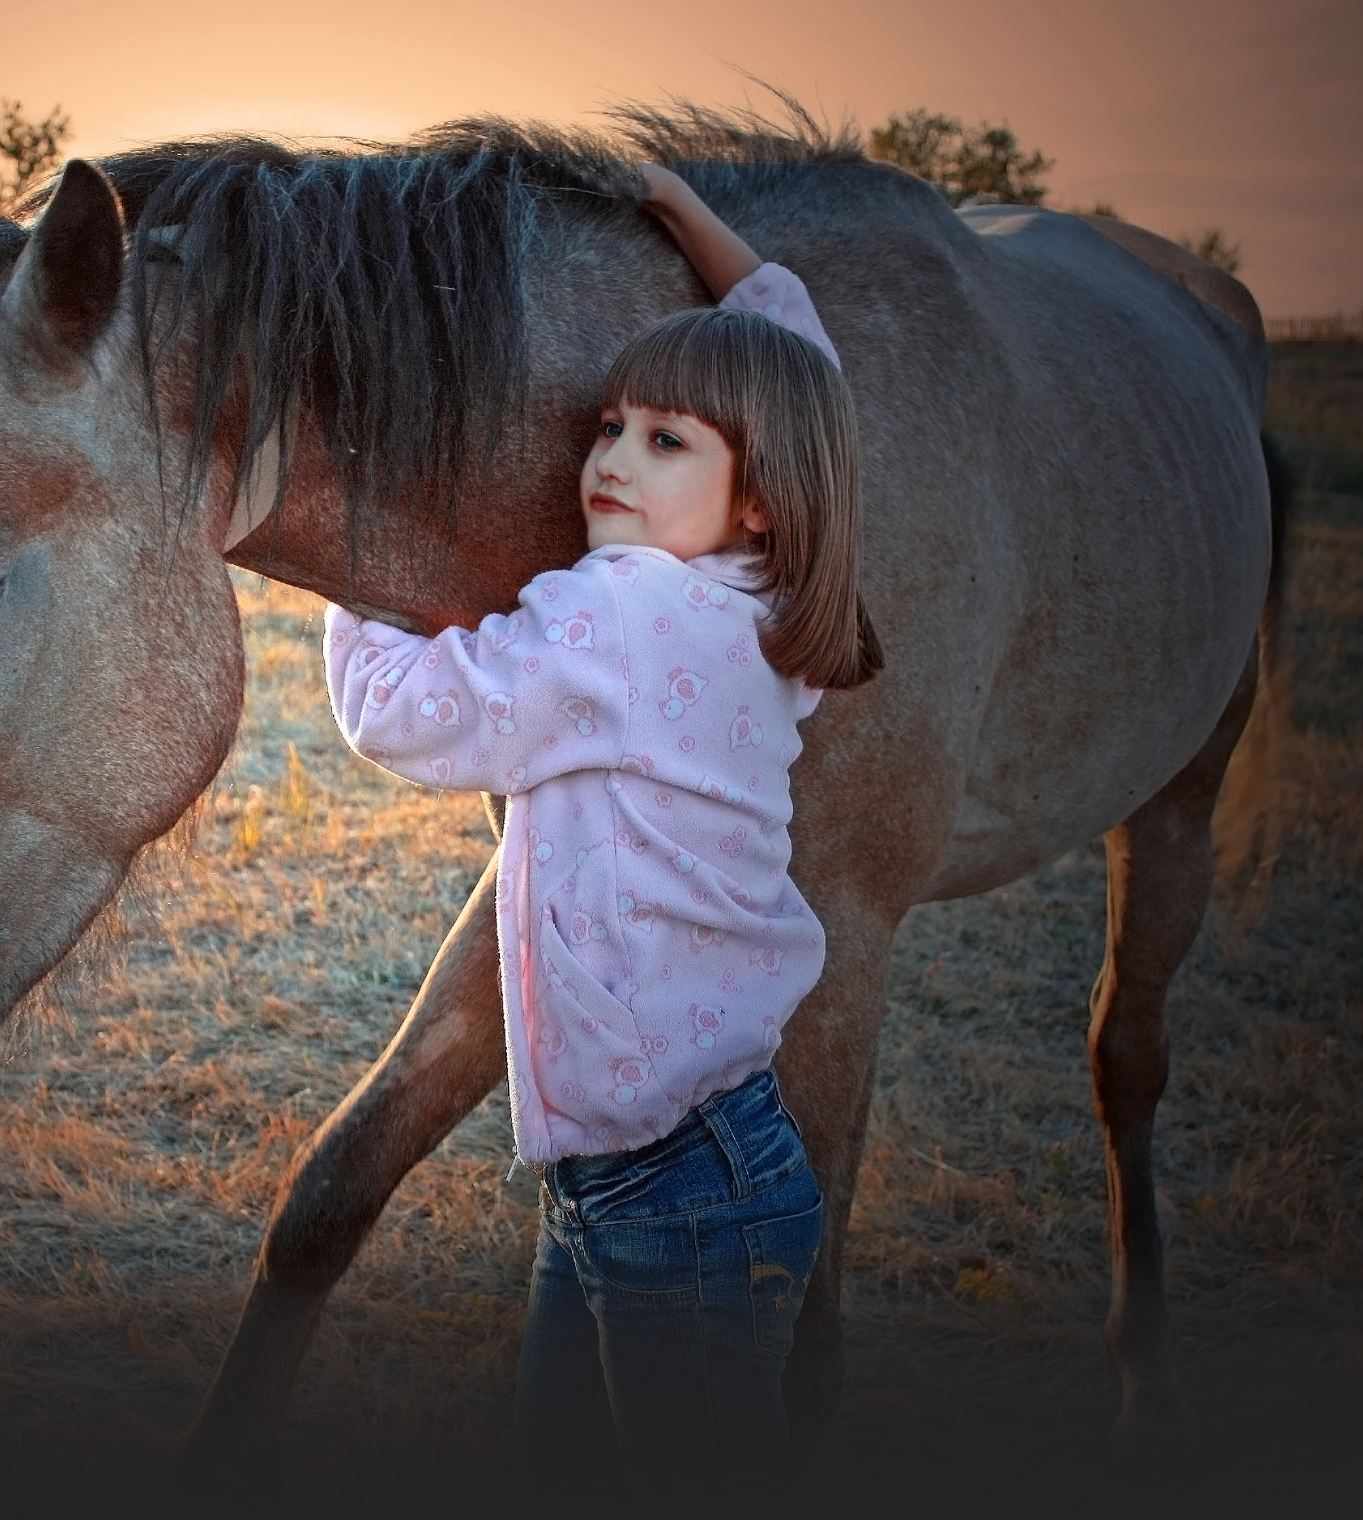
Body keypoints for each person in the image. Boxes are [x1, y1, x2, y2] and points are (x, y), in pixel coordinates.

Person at [322, 161, 878, 1476]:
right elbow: (813, 378)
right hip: (681, 1165)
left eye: (664, 441)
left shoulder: (620, 610)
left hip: (671, 1189)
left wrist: (357, 574)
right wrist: (690, 223)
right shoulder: (768, 597)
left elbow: (400, 713)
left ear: (757, 495)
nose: (610, 459)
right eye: (612, 425)